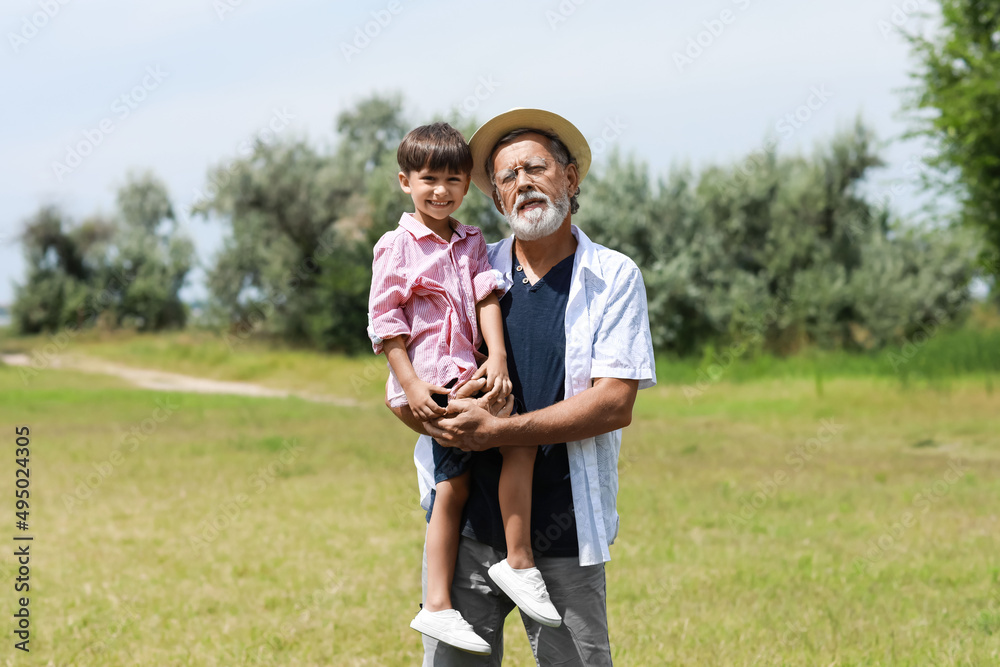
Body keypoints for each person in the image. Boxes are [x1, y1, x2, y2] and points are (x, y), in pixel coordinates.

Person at [388, 109, 657, 666]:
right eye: (506, 177)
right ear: (494, 198)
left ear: (571, 177)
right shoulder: (467, 269)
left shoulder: (614, 277)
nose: (522, 184)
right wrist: (438, 419)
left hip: (564, 533)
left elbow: (615, 403)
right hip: (466, 529)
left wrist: (502, 431)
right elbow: (409, 373)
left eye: (536, 167)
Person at [367, 122, 561, 656]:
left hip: (470, 371)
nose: (441, 190)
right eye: (429, 179)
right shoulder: (398, 247)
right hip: (430, 380)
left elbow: (486, 298)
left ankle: (515, 561)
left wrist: (497, 355)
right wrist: (411, 386)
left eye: (454, 179)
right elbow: (386, 324)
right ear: (405, 181)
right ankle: (440, 603)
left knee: (515, 441)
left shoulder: (470, 239)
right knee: (451, 488)